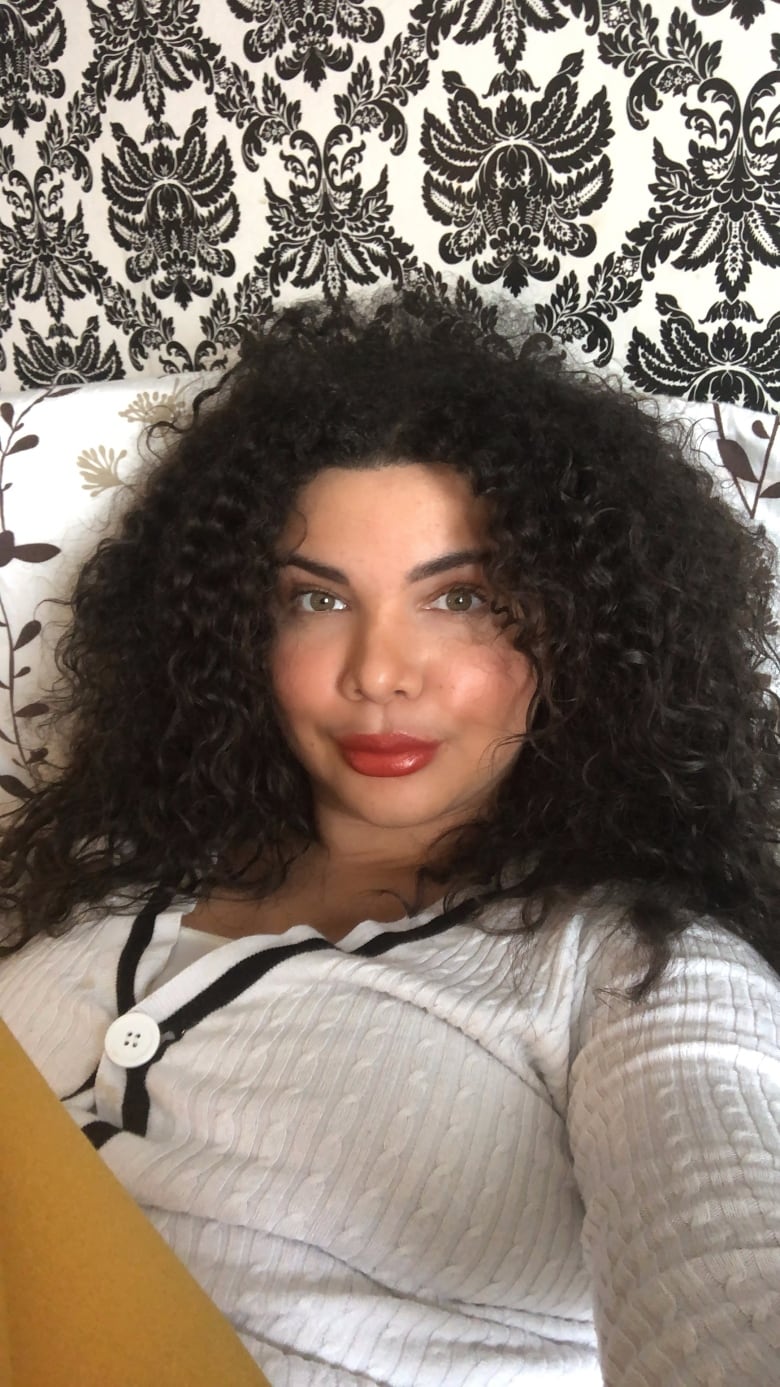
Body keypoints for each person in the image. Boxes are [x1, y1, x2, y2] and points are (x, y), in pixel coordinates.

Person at [0, 291, 779, 1386]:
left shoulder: (631, 970)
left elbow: (733, 1238)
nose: (377, 671)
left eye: (460, 597)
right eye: (316, 602)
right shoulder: (104, 875)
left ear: (584, 633)